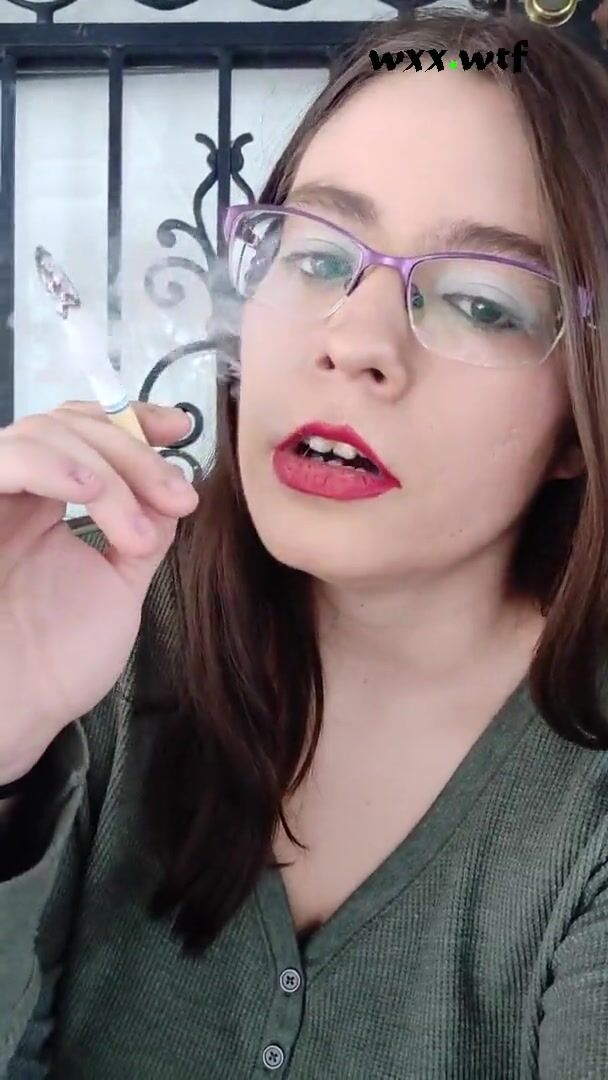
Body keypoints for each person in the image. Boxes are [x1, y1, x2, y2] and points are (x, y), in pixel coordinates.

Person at [1, 7, 608, 1077]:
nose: (356, 341)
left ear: (578, 420)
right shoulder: (88, 613)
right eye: (320, 258)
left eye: (479, 303)